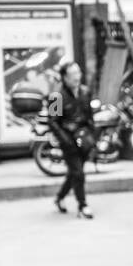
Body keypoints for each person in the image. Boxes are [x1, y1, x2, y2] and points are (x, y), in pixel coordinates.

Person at [47, 61, 96, 219]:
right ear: (64, 78)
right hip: (68, 140)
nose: (76, 77)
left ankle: (59, 198)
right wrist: (65, 140)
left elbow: (89, 116)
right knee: (79, 173)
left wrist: (91, 136)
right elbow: (52, 121)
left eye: (78, 73)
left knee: (74, 173)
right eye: (72, 74)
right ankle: (83, 206)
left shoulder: (85, 92)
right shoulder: (57, 96)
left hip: (83, 139)